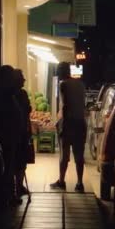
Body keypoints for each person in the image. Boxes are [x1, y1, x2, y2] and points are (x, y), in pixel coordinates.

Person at [50, 62, 87, 192]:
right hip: (81, 123)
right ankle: (80, 183)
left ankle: (61, 181)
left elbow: (66, 105)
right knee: (79, 155)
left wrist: (61, 124)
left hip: (69, 123)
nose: (58, 73)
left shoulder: (63, 84)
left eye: (59, 70)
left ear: (62, 71)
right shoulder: (80, 84)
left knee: (64, 155)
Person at [0, 65, 23, 205]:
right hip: (5, 135)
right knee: (7, 166)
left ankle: (8, 195)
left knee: (9, 165)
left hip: (9, 135)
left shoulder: (8, 93)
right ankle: (7, 196)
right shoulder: (5, 94)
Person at [13, 69, 33, 196]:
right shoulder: (17, 95)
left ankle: (19, 186)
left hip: (23, 131)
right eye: (22, 78)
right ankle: (16, 188)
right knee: (17, 161)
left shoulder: (22, 94)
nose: (24, 80)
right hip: (16, 133)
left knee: (21, 161)